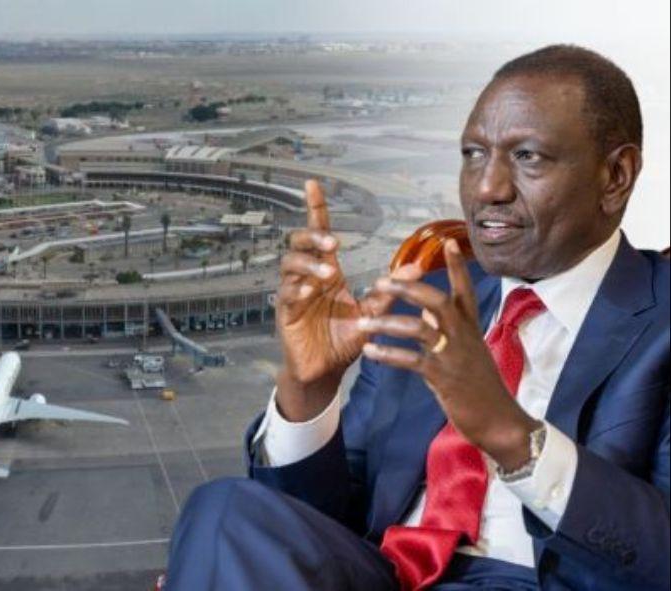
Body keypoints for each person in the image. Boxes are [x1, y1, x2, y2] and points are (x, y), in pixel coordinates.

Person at [166, 45, 669, 590]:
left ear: (616, 175)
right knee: (223, 510)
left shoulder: (659, 321)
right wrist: (309, 390)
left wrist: (511, 435)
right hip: (386, 572)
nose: (487, 188)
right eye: (474, 153)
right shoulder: (419, 304)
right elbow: (314, 533)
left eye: (528, 157)